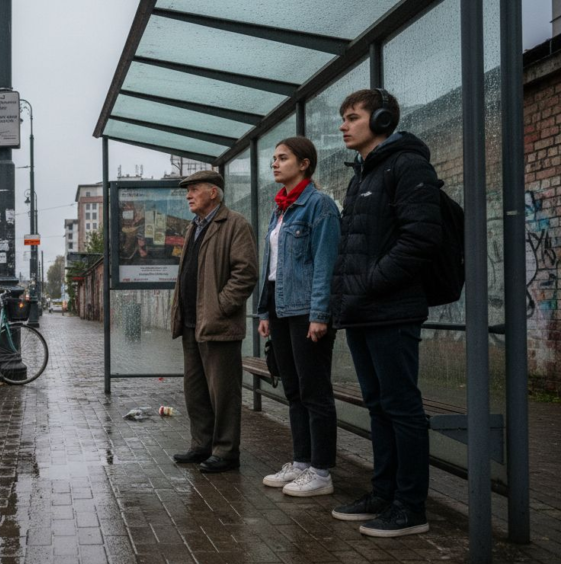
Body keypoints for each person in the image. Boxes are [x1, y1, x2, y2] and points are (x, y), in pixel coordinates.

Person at [330, 89, 442, 537]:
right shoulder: (360, 175)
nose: (343, 125)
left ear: (380, 119)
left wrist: (371, 283)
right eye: (342, 117)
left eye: (352, 117)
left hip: (391, 310)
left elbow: (421, 239)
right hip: (362, 310)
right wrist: (349, 297)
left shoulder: (407, 165)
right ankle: (384, 492)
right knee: (378, 405)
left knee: (401, 407)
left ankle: (411, 507)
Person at [257, 137, 341, 497]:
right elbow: (271, 267)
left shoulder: (318, 205)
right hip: (280, 306)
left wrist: (320, 314)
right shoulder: (281, 209)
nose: (275, 164)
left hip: (308, 309)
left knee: (314, 390)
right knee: (292, 389)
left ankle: (322, 472)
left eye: (283, 158)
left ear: (304, 163)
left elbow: (326, 263)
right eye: (273, 158)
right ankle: (302, 462)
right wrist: (264, 309)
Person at [169, 170, 258, 473]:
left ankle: (226, 451)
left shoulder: (235, 225)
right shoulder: (193, 227)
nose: (188, 195)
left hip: (218, 325)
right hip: (192, 324)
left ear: (214, 193)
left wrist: (221, 307)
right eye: (188, 190)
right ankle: (201, 445)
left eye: (194, 189)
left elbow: (245, 273)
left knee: (223, 393)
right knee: (195, 391)